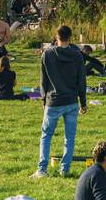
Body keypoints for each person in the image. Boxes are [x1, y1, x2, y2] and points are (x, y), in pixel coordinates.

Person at [33, 25, 87, 178]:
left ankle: (42, 169)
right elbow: (81, 81)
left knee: (46, 136)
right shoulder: (77, 55)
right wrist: (83, 102)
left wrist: (44, 100)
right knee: (69, 138)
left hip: (53, 101)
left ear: (56, 37)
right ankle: (65, 169)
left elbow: (43, 81)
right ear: (71, 37)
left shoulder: (47, 55)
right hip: (71, 101)